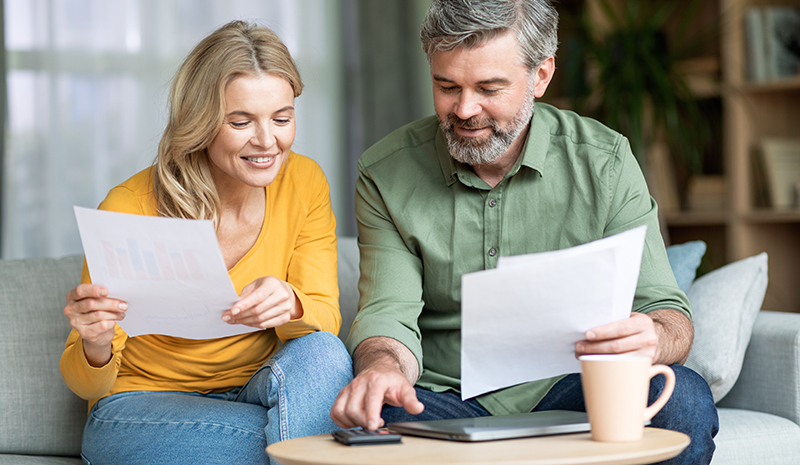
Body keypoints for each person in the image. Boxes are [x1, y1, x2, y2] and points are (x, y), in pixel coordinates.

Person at [330, 1, 718, 464]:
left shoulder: (605, 162)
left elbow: (667, 311)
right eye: (446, 86)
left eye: (489, 87)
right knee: (376, 411)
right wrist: (382, 369)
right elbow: (387, 315)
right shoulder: (385, 173)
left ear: (541, 75)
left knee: (683, 399)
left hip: (572, 387)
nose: (465, 109)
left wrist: (653, 335)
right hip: (442, 397)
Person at [61, 20, 352, 464]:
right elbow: (87, 384)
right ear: (201, 123)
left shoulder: (305, 182)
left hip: (256, 390)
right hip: (141, 408)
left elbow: (324, 319)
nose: (267, 141)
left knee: (324, 351)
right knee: (315, 441)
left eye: (282, 118)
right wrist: (95, 345)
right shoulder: (128, 207)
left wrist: (292, 305)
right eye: (240, 121)